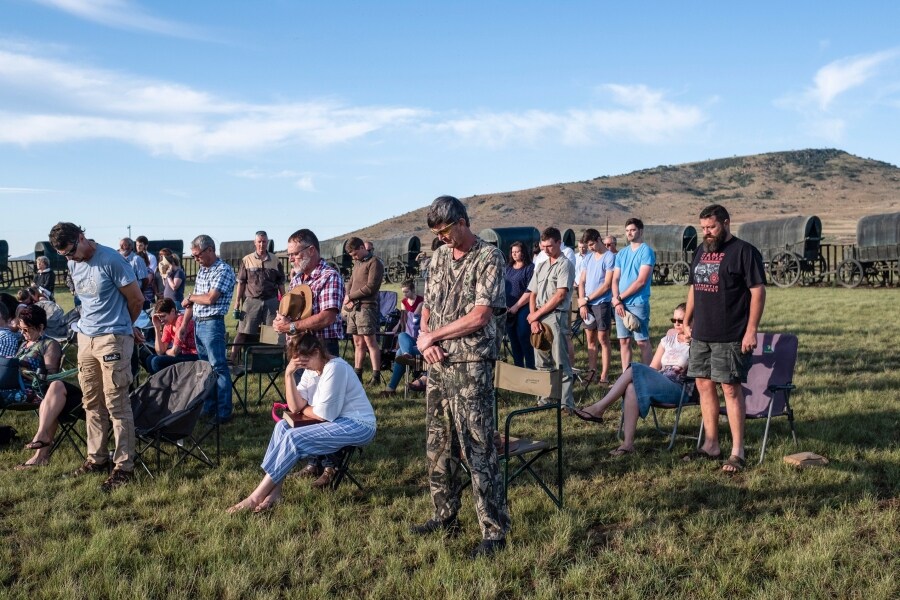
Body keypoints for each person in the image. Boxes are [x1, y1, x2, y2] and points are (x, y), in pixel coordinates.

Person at [410, 195, 510, 559]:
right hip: (437, 362)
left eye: (447, 231)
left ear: (464, 222)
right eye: (437, 234)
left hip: (471, 364)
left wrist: (434, 336)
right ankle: (444, 513)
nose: (443, 239)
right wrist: (425, 340)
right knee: (438, 443)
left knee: (477, 445)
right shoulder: (438, 257)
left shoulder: (488, 257)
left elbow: (481, 315)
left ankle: (494, 531)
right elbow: (430, 306)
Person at [226, 333, 376, 512]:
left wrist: (304, 409)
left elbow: (323, 414)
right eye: (299, 363)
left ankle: (255, 497)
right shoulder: (311, 370)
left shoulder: (335, 368)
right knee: (282, 426)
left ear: (316, 352)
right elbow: (295, 405)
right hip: (336, 420)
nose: (304, 367)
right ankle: (275, 493)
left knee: (294, 438)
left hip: (358, 424)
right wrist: (289, 375)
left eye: (304, 362)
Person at [49, 222, 144, 492]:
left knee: (117, 403)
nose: (70, 258)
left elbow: (136, 299)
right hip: (85, 339)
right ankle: (97, 458)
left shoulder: (112, 260)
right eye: (64, 255)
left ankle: (124, 466)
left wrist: (123, 328)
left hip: (112, 338)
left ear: (81, 237)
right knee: (91, 401)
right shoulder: (72, 263)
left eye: (71, 251)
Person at [683, 204, 766, 474]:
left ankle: (737, 451)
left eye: (712, 227)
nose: (706, 233)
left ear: (726, 223)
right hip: (701, 334)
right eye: (703, 228)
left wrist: (751, 329)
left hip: (731, 333)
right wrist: (686, 320)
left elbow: (757, 291)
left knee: (730, 388)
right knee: (704, 385)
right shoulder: (700, 251)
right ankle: (711, 445)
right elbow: (695, 287)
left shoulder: (744, 252)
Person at [272, 229, 345, 484]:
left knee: (327, 406)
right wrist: (283, 321)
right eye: (289, 255)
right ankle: (314, 460)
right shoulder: (296, 281)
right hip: (303, 347)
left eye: (295, 254)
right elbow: (294, 316)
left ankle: (331, 465)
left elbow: (327, 316)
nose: (291, 259)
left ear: (311, 250)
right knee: (305, 406)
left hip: (324, 348)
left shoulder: (329, 276)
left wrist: (291, 327)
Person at [574, 303, 692, 456]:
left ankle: (599, 408)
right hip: (661, 382)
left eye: (680, 321)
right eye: (673, 320)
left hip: (680, 387)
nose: (676, 324)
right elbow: (653, 368)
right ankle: (628, 444)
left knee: (634, 368)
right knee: (631, 387)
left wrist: (692, 340)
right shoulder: (668, 340)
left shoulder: (698, 343)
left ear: (690, 321)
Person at [10, 306, 85, 470]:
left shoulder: (49, 344)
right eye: (21, 329)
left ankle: (41, 449)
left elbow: (51, 376)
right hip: (18, 387)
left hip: (38, 389)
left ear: (41, 327)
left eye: (27, 329)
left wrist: (28, 373)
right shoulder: (24, 344)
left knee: (54, 389)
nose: (23, 333)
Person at [183, 235, 236, 425]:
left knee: (218, 368)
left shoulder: (223, 270)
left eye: (197, 255)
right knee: (207, 369)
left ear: (210, 250)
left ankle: (223, 412)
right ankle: (209, 408)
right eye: (193, 255)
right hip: (200, 322)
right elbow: (197, 300)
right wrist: (184, 325)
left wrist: (190, 297)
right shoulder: (202, 270)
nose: (195, 259)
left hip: (213, 323)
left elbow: (210, 298)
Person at [526, 227, 575, 410]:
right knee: (542, 362)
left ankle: (565, 403)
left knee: (560, 362)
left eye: (549, 246)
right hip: (539, 317)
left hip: (556, 316)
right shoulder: (541, 265)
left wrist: (535, 316)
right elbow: (532, 293)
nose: (545, 250)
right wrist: (535, 318)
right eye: (543, 246)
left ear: (558, 243)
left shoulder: (565, 265)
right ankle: (544, 400)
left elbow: (560, 295)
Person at [230, 230, 285, 364]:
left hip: (271, 301)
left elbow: (281, 283)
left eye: (264, 241)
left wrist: (284, 300)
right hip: (251, 301)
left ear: (267, 242)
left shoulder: (275, 260)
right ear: (255, 243)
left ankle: (268, 362)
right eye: (259, 242)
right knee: (243, 331)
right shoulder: (246, 260)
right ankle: (232, 358)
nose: (261, 244)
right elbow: (241, 283)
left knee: (271, 332)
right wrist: (237, 302)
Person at [611, 218, 655, 368]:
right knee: (624, 341)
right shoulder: (621, 254)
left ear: (640, 231)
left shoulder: (646, 251)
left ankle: (649, 376)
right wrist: (617, 301)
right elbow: (615, 279)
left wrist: (619, 298)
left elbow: (641, 281)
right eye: (627, 230)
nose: (629, 233)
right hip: (620, 304)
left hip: (637, 303)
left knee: (642, 341)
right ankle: (626, 376)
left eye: (633, 230)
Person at [342, 237, 385, 384]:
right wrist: (347, 297)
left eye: (355, 254)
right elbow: (351, 282)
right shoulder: (357, 264)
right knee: (358, 342)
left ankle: (375, 376)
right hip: (353, 308)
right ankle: (357, 374)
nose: (354, 258)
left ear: (362, 248)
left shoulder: (375, 263)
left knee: (370, 341)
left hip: (367, 307)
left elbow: (371, 287)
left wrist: (351, 296)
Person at [577, 228, 615, 385]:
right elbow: (582, 281)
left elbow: (607, 285)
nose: (590, 247)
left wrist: (587, 298)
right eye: (588, 245)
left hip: (602, 304)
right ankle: (591, 373)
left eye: (592, 244)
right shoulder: (588, 258)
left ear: (599, 239)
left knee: (603, 339)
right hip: (588, 305)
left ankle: (604, 375)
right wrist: (582, 302)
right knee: (590, 340)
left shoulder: (609, 257)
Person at [381, 279, 425, 397]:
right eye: (403, 292)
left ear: (413, 290)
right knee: (401, 335)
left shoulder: (422, 302)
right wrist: (397, 326)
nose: (405, 295)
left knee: (400, 351)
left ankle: (391, 389)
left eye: (406, 292)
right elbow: (404, 321)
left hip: (422, 340)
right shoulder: (404, 302)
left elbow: (415, 320)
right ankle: (407, 354)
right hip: (411, 339)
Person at [144, 298, 198, 374]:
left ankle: (165, 384)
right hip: (183, 354)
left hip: (194, 355)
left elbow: (174, 352)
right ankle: (158, 383)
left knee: (156, 361)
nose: (161, 320)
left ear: (173, 311)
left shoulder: (180, 320)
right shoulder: (168, 325)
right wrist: (157, 327)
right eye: (159, 317)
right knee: (150, 359)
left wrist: (167, 351)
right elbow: (160, 351)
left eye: (163, 316)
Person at [504, 241, 534, 369]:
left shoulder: (529, 268)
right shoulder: (508, 268)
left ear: (523, 252)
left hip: (523, 307)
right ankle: (518, 369)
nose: (514, 254)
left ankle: (531, 368)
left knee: (523, 337)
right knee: (513, 340)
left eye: (517, 251)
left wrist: (517, 306)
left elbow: (530, 290)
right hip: (508, 308)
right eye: (513, 252)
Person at [119, 237, 152, 309]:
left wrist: (140, 293)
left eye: (124, 245)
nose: (121, 247)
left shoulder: (137, 259)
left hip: (135, 297)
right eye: (120, 245)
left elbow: (145, 280)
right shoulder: (119, 260)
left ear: (131, 247)